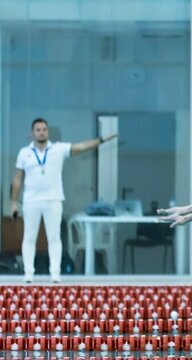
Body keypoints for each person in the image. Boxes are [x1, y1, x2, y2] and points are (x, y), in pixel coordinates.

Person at [11, 118, 117, 283]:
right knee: (29, 238)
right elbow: (18, 179)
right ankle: (28, 274)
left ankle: (55, 274)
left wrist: (102, 140)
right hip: (31, 201)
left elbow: (80, 147)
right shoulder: (24, 153)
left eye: (44, 129)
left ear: (48, 132)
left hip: (53, 200)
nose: (41, 132)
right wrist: (13, 202)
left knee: (54, 238)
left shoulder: (58, 149)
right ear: (32, 133)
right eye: (38, 130)